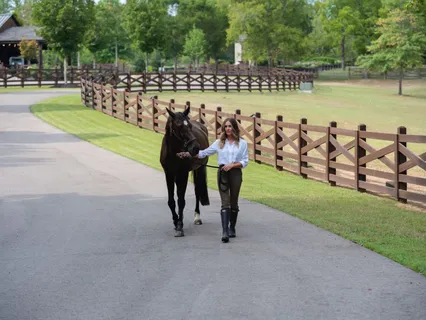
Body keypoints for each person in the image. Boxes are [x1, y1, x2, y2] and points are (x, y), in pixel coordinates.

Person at [178, 118, 249, 243]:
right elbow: (204, 153)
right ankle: (225, 231)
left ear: (234, 128)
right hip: (222, 173)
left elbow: (245, 161)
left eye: (230, 126)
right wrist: (189, 155)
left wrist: (232, 165)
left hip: (235, 173)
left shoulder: (242, 143)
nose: (228, 129)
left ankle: (232, 227)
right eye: (226, 126)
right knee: (225, 202)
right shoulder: (219, 143)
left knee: (234, 202)